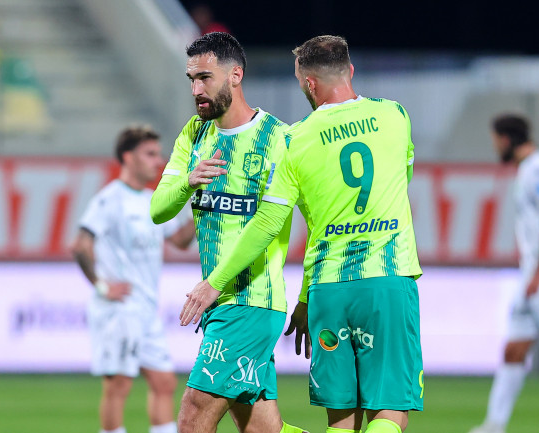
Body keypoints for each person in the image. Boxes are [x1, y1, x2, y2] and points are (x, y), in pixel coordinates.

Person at [183, 35, 424, 433]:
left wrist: (222, 284)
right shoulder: (394, 115)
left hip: (328, 290)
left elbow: (267, 222)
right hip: (387, 280)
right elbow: (404, 176)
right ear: (349, 70)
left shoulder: (294, 139)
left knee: (341, 419)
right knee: (389, 409)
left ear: (309, 83)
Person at [150, 32, 307, 433]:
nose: (196, 90)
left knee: (193, 413)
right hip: (220, 305)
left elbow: (304, 221)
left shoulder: (280, 139)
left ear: (235, 75)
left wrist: (307, 295)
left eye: (205, 78)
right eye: (191, 79)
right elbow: (158, 209)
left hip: (251, 302)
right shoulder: (194, 134)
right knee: (263, 430)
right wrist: (188, 181)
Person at [72, 125, 195, 433]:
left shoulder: (152, 199)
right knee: (119, 385)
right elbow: (81, 245)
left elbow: (180, 241)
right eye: (150, 154)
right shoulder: (110, 200)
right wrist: (102, 286)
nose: (159, 161)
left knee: (164, 382)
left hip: (146, 308)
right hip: (120, 310)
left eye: (158, 153)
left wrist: (200, 203)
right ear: (128, 157)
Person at [468, 114, 539, 433]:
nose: (495, 147)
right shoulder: (528, 170)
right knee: (514, 349)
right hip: (534, 274)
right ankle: (494, 425)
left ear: (506, 139)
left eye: (495, 141)